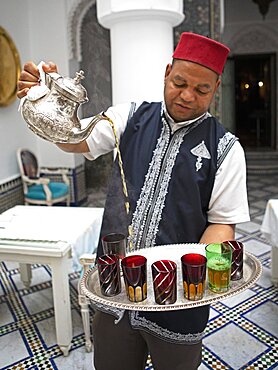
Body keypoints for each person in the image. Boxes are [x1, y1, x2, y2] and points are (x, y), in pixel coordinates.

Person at [17, 32, 250, 370]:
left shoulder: (226, 148)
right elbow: (74, 141)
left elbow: (221, 224)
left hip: (179, 300)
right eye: (180, 82)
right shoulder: (129, 117)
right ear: (167, 72)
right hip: (115, 290)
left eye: (201, 90)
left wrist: (192, 280)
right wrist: (45, 100)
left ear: (216, 89)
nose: (187, 96)